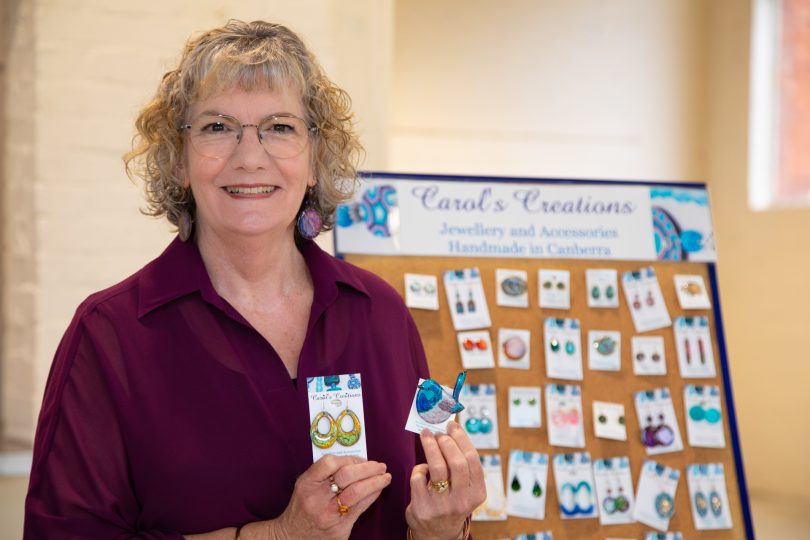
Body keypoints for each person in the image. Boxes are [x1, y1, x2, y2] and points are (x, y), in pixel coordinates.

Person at [24, 20, 485, 539]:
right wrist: (278, 535)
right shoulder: (111, 336)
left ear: (315, 160)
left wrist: (443, 529)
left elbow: (420, 508)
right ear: (179, 161)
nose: (249, 157)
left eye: (280, 127)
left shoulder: (380, 313)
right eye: (217, 127)